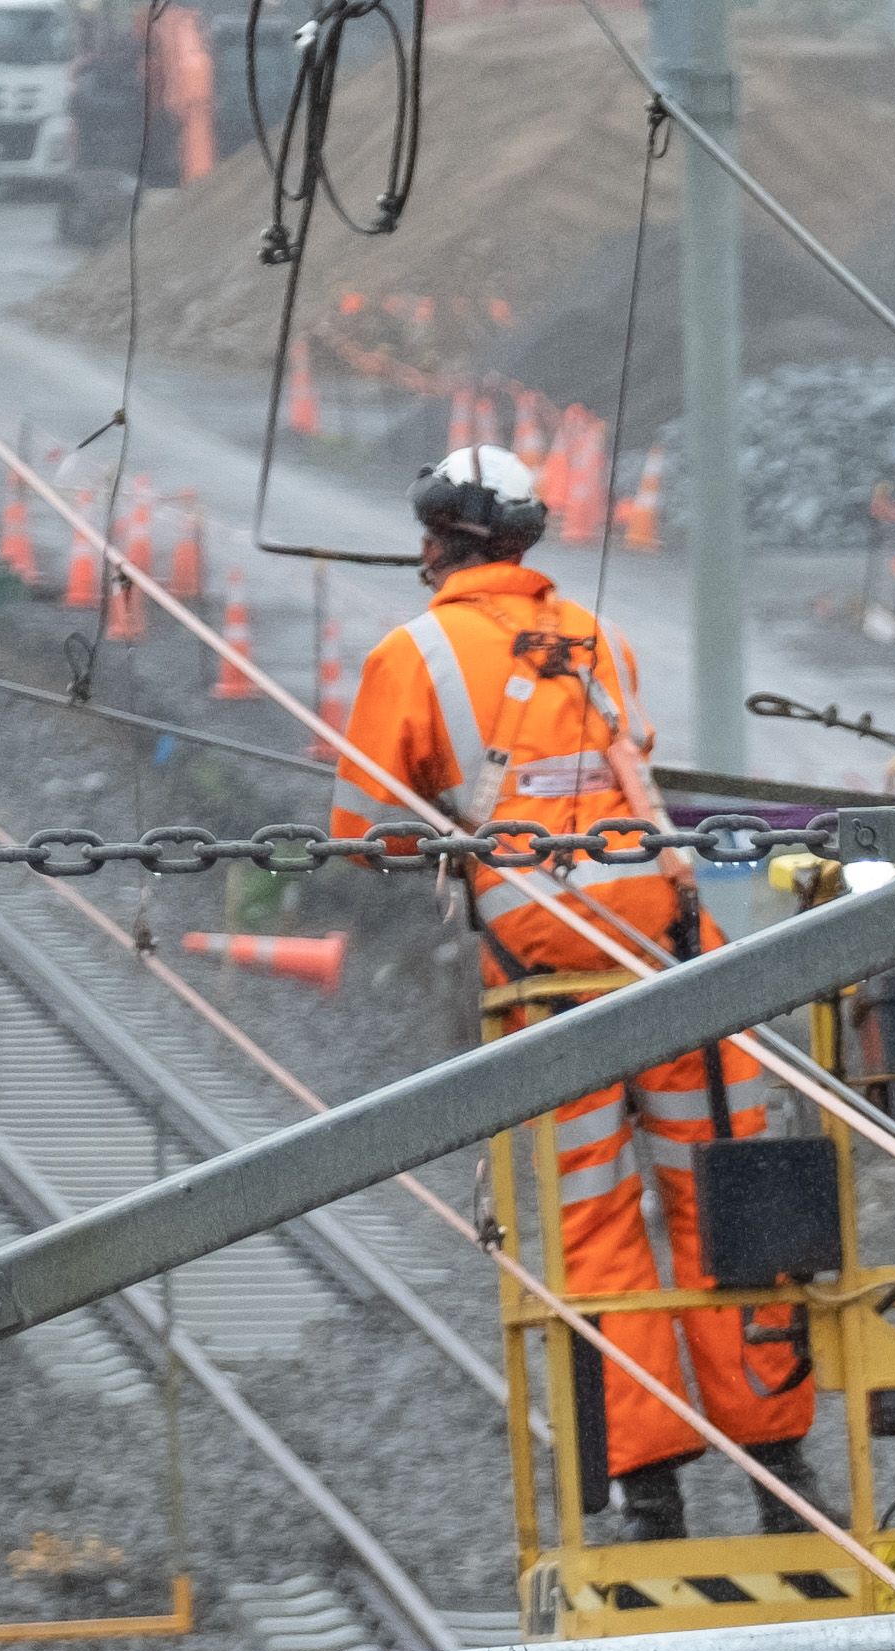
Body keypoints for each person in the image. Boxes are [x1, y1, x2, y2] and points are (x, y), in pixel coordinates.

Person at [332, 442, 809, 1544]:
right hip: (675, 957)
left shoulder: (413, 655)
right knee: (728, 1197)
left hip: (552, 982)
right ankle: (783, 1472)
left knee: (598, 1223)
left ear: (435, 541)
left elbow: (363, 835)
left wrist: (457, 833)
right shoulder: (597, 641)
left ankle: (651, 1491)